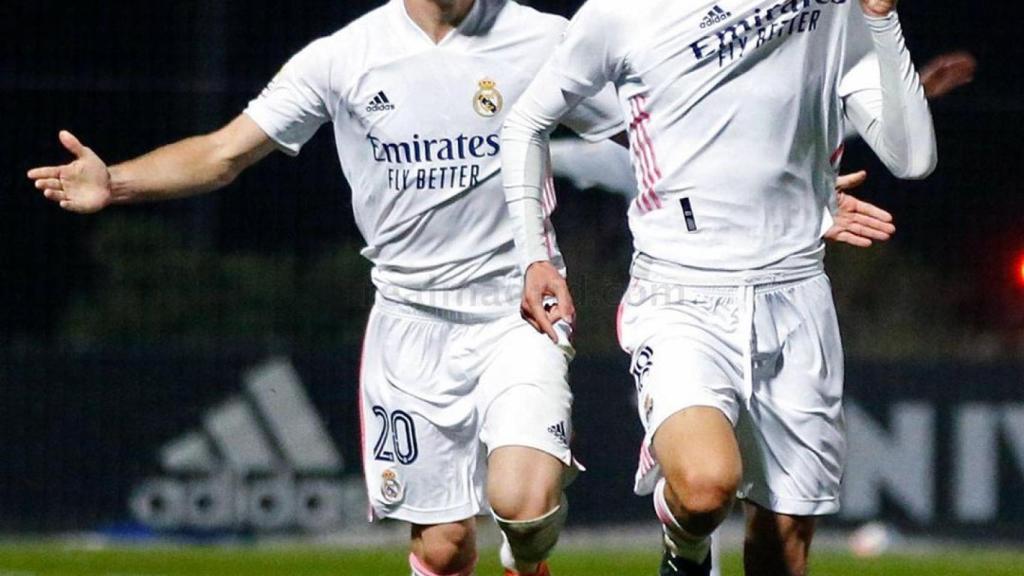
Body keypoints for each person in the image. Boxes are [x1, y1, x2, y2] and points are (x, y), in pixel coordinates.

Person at [26, 1, 628, 575]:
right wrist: (116, 183)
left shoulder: (544, 40)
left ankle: (528, 562)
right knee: (444, 549)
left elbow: (641, 126)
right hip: (410, 325)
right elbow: (222, 153)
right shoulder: (342, 58)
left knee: (525, 507)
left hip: (515, 311)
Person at [501, 1, 936, 575]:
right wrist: (536, 256)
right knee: (706, 487)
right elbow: (526, 121)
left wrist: (882, 20)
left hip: (796, 296)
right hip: (680, 294)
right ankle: (685, 545)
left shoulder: (833, 11)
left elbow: (912, 158)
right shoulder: (622, 14)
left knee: (780, 550)